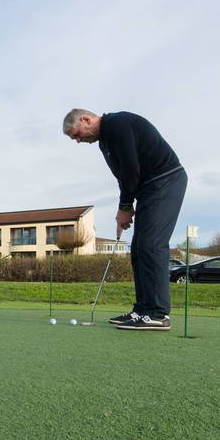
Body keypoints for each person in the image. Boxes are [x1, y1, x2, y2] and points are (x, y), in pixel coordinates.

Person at [63, 109, 187, 331]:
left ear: (85, 119)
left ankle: (158, 313)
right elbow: (123, 177)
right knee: (138, 247)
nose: (79, 141)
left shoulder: (117, 124)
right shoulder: (105, 142)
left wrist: (125, 206)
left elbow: (131, 168)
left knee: (151, 245)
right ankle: (142, 310)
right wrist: (125, 207)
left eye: (77, 135)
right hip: (148, 189)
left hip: (166, 180)